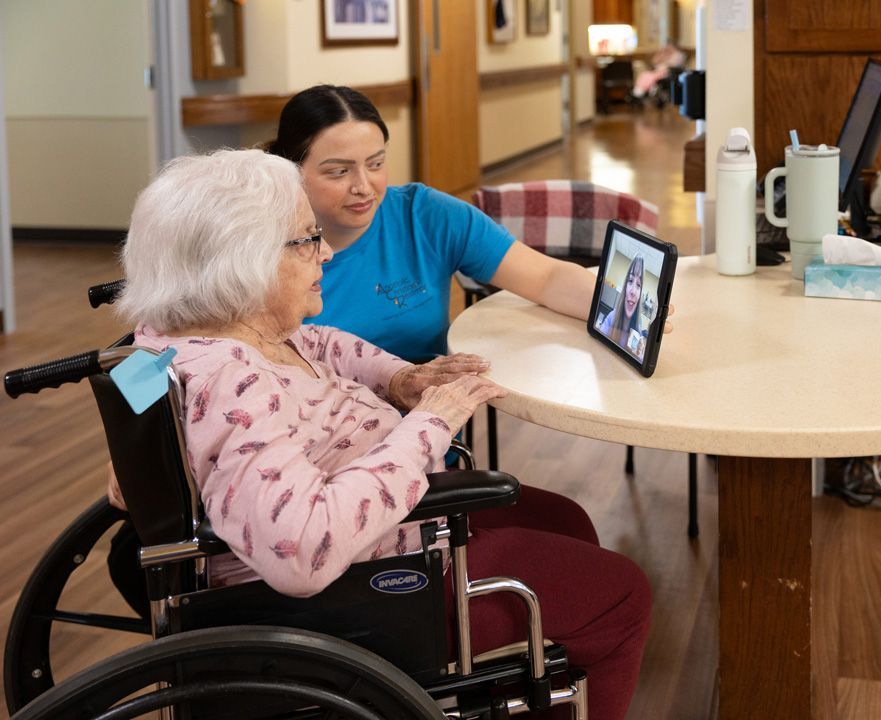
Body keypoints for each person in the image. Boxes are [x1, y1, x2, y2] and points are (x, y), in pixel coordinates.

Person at [111, 148, 651, 719]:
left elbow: (323, 345)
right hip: (361, 591)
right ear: (243, 261)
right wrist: (431, 424)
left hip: (384, 529)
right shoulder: (235, 384)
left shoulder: (185, 334)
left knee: (566, 520)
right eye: (304, 241)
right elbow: (302, 553)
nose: (325, 252)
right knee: (622, 592)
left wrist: (399, 378)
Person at [263, 84, 672, 362]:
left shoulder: (425, 216)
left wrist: (623, 310)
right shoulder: (259, 249)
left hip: (428, 440)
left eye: (376, 164)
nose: (364, 186)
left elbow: (544, 277)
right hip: (314, 449)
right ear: (288, 170)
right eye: (338, 172)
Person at [596, 255, 646, 361]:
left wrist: (640, 356)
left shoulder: (639, 333)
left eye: (638, 285)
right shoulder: (611, 317)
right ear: (624, 286)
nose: (633, 291)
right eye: (630, 280)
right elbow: (597, 348)